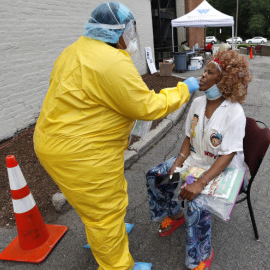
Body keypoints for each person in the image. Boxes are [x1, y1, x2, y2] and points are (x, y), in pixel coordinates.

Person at [33, 2, 199, 270]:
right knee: (105, 212)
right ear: (116, 31)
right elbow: (146, 106)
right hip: (82, 152)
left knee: (94, 204)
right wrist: (184, 89)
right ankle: (117, 265)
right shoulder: (110, 61)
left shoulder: (74, 50)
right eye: (129, 31)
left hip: (55, 142)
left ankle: (104, 237)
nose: (131, 38)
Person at [145, 49, 252, 270]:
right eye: (204, 71)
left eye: (209, 73)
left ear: (225, 79)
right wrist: (177, 163)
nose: (202, 76)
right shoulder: (197, 103)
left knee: (197, 203)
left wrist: (201, 183)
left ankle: (200, 254)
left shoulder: (234, 112)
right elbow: (188, 137)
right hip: (195, 160)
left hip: (223, 171)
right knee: (157, 175)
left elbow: (228, 155)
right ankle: (174, 215)